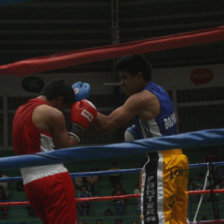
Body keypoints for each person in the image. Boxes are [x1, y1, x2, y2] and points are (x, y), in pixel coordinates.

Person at [93, 55, 189, 223]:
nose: (122, 83)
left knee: (155, 220)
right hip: (179, 160)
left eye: (125, 78)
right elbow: (176, 120)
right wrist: (142, 129)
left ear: (139, 76)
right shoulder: (160, 91)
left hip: (161, 163)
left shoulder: (139, 99)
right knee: (177, 219)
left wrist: (84, 106)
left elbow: (106, 125)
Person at [12, 79, 97, 224]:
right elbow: (66, 149)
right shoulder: (52, 114)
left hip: (29, 183)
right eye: (63, 107)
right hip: (53, 180)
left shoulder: (19, 111)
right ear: (59, 100)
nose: (62, 110)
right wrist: (79, 127)